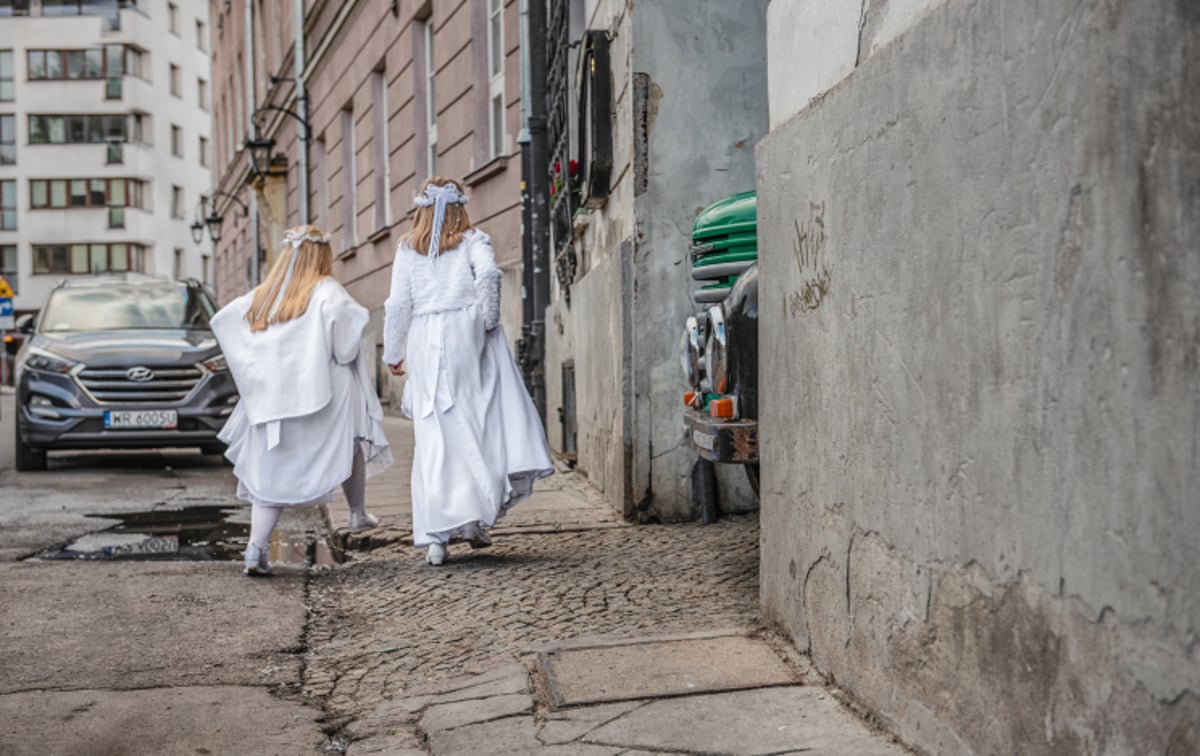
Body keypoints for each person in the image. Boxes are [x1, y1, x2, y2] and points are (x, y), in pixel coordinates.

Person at [384, 177, 553, 565]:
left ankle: (438, 537)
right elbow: (490, 277)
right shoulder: (473, 239)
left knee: (435, 432)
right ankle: (474, 518)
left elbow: (397, 304)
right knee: (477, 423)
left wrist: (393, 351)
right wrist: (489, 321)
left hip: (425, 336)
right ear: (460, 207)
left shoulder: (408, 247)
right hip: (466, 332)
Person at [212, 225, 393, 576]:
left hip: (273, 398)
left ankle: (255, 548)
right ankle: (357, 512)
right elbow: (344, 350)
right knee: (351, 442)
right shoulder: (328, 291)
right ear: (321, 256)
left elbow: (225, 323)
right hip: (322, 394)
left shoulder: (263, 296)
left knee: (270, 468)